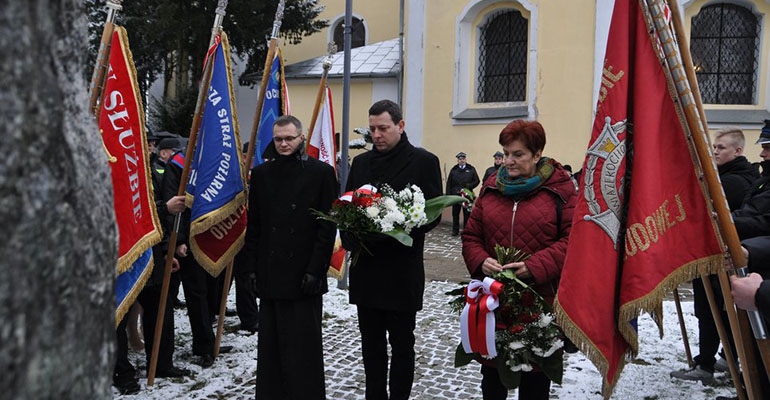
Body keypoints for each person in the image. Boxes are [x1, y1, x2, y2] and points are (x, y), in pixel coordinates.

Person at [462, 119, 576, 400]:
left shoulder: (560, 190)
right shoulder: (491, 188)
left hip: (540, 303)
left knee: (535, 385)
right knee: (492, 383)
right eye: (505, 153)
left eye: (518, 154)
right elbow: (471, 236)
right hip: (495, 305)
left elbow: (573, 241)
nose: (508, 161)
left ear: (537, 155)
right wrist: (481, 261)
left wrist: (534, 267)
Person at [342, 99, 443, 400]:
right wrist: (351, 237)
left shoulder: (424, 161)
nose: (377, 135)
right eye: (372, 129)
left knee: (401, 345)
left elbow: (433, 215)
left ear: (400, 125)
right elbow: (347, 206)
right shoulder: (361, 163)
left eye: (383, 128)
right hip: (367, 270)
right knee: (370, 344)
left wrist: (399, 226)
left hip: (401, 271)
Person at [239, 115, 338, 399]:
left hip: (304, 274)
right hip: (271, 272)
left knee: (303, 348)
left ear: (301, 138)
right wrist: (250, 269)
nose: (283, 144)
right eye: (278, 139)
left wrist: (315, 270)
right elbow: (255, 226)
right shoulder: (261, 174)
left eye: (289, 139)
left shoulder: (321, 173)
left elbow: (326, 227)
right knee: (272, 347)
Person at [671, 127, 758, 384]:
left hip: (717, 257)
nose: (715, 151)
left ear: (738, 151)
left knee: (711, 311)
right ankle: (728, 357)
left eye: (721, 147)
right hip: (721, 255)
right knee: (722, 310)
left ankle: (706, 364)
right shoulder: (735, 175)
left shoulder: (731, 182)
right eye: (715, 147)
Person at [160, 139, 231, 368]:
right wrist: (178, 240)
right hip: (190, 237)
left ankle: (211, 337)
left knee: (213, 288)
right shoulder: (178, 163)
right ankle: (203, 345)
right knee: (197, 292)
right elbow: (175, 204)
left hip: (213, 234)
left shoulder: (217, 159)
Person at [233, 141, 259, 334]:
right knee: (244, 278)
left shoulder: (260, 175)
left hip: (258, 233)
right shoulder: (237, 177)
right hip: (241, 234)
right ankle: (249, 319)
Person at [446, 151, 480, 236]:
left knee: (467, 214)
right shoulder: (454, 170)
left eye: (463, 159)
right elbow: (449, 183)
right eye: (460, 159)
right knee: (455, 213)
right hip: (456, 195)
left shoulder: (471, 169)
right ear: (457, 160)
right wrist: (448, 195)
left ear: (465, 159)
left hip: (466, 195)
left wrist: (470, 186)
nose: (461, 160)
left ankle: (466, 230)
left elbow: (477, 180)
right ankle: (455, 230)